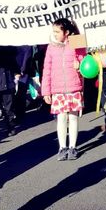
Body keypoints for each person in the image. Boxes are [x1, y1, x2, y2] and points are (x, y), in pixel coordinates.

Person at [41, 18, 86, 161]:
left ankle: (72, 147)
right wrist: (46, 91)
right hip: (58, 89)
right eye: (53, 31)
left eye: (57, 31)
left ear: (66, 32)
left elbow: (85, 62)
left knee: (73, 118)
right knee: (61, 118)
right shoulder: (51, 47)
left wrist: (79, 63)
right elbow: (46, 69)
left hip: (73, 87)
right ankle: (62, 147)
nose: (54, 34)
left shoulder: (76, 44)